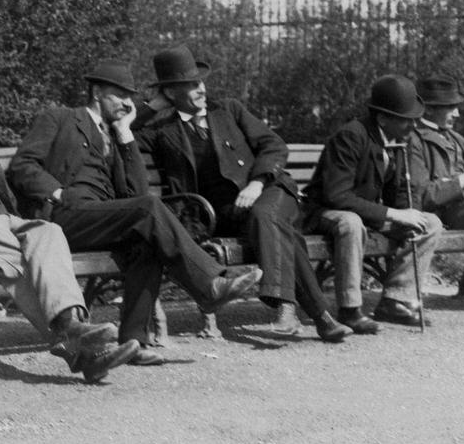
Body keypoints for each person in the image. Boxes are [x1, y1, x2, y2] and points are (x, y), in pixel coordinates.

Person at [6, 60, 262, 363]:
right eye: (120, 96)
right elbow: (22, 167)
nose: (128, 104)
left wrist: (126, 135)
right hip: (64, 218)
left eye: (131, 97)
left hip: (102, 220)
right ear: (98, 92)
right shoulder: (60, 118)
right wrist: (59, 192)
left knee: (146, 244)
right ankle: (208, 285)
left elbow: (136, 194)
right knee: (150, 209)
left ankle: (133, 342)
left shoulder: (116, 135)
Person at [0, 58, 138, 383]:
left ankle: (77, 341)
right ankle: (73, 335)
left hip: (0, 221)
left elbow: (6, 192)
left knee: (48, 231)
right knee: (11, 253)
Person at [137, 46, 350, 343]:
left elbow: (274, 146)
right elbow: (121, 132)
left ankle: (285, 307)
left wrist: (257, 183)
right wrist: (151, 106)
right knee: (278, 231)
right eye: (190, 85)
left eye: (200, 83)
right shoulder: (161, 129)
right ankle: (323, 318)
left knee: (267, 215)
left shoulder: (229, 110)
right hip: (222, 213)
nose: (200, 90)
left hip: (271, 191)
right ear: (170, 94)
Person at [302, 74, 444, 330]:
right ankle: (349, 309)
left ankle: (396, 301)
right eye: (407, 120)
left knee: (430, 222)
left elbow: (400, 190)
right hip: (325, 212)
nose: (414, 126)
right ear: (382, 118)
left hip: (365, 213)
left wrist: (408, 213)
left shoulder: (400, 139)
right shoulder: (351, 137)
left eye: (415, 119)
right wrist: (394, 214)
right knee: (351, 222)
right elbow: (337, 196)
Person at [410, 72, 464, 229]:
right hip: (444, 212)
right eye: (450, 107)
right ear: (428, 109)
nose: (457, 114)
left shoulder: (454, 137)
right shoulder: (413, 140)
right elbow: (422, 197)